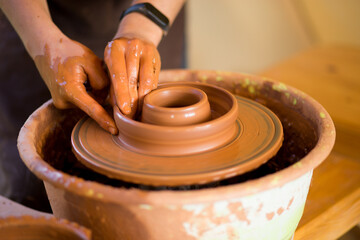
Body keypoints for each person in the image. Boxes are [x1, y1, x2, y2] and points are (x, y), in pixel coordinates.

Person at [0, 0, 185, 211]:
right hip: (33, 16)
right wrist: (43, 44)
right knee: (32, 192)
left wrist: (142, 27)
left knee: (149, 94)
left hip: (153, 10)